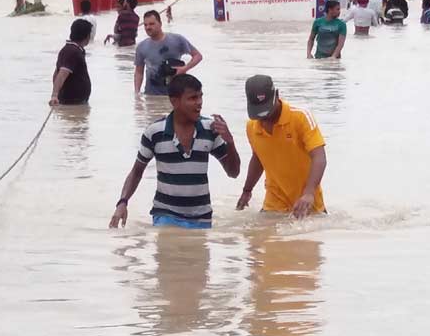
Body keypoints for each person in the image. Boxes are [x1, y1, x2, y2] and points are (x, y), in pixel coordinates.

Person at [109, 74, 241, 229]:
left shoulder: (210, 130)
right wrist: (122, 202)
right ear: (174, 101)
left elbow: (234, 172)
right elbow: (137, 172)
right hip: (165, 215)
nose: (199, 103)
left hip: (202, 218)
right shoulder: (155, 132)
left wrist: (230, 141)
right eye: (192, 98)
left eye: (200, 97)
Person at [237, 75, 327, 218]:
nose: (264, 118)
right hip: (274, 202)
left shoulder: (300, 117)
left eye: (267, 111)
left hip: (307, 203)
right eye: (259, 113)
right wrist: (247, 190)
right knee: (255, 238)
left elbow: (319, 156)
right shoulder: (252, 127)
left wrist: (309, 193)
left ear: (277, 95)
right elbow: (258, 158)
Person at [135, 10, 203, 96]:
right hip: (151, 95)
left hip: (174, 94)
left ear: (160, 23)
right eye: (145, 25)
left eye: (152, 24)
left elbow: (197, 56)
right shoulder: (141, 47)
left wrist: (184, 68)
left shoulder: (177, 40)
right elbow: (138, 72)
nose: (148, 27)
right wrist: (137, 94)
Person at [49, 19, 93, 106]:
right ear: (87, 36)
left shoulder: (71, 49)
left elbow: (56, 73)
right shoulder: (72, 52)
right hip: (72, 103)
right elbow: (61, 74)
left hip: (75, 103)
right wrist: (54, 95)